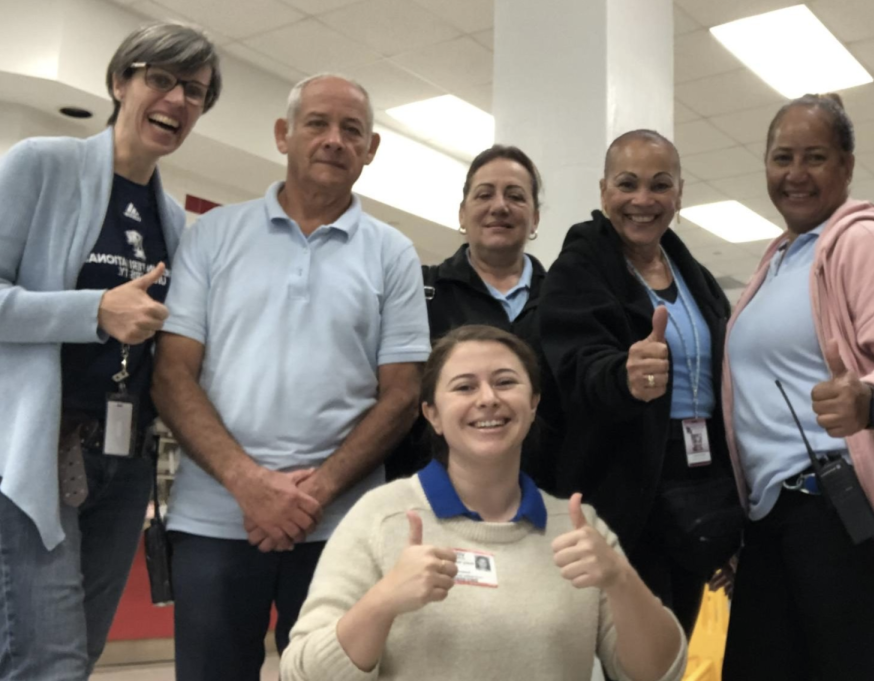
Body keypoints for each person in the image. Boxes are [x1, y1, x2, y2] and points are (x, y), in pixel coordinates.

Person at [152, 73, 430, 681]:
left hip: (345, 529)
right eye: (318, 124)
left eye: (351, 130)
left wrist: (313, 496)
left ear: (371, 149)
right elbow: (172, 375)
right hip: (215, 522)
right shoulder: (213, 236)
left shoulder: (393, 253)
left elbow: (403, 395)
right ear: (284, 135)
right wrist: (249, 485)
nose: (334, 140)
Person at [719, 94, 874, 681]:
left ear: (847, 166)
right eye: (782, 158)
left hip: (839, 514)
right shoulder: (780, 257)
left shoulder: (866, 242)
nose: (796, 174)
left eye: (815, 157)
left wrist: (870, 398)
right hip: (771, 515)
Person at [280, 325, 687, 681]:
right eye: (464, 387)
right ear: (432, 414)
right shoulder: (380, 516)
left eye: (506, 382)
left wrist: (620, 580)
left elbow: (659, 672)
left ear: (533, 404)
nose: (488, 398)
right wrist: (383, 602)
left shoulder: (580, 527)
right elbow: (300, 672)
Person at [0, 22, 221, 679]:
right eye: (160, 78)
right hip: (41, 446)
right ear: (120, 82)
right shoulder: (42, 164)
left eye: (195, 91)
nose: (177, 100)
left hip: (125, 460)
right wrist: (93, 310)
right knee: (51, 660)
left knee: (78, 651)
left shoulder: (178, 224)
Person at [539, 129, 736, 636]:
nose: (643, 200)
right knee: (618, 650)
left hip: (697, 488)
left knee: (673, 643)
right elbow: (575, 366)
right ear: (604, 191)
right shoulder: (578, 269)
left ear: (679, 194)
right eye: (628, 184)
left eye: (660, 185)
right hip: (621, 492)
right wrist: (621, 375)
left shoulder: (695, 277)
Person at [385, 145, 561, 488]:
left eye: (515, 196)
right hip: (435, 499)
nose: (500, 206)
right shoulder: (419, 291)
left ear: (535, 218)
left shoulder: (565, 299)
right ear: (462, 214)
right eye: (484, 195)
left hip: (543, 498)